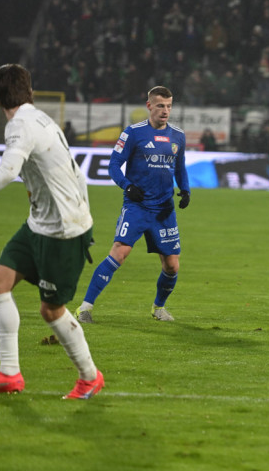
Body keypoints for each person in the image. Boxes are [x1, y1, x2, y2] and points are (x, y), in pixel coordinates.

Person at [0, 64, 103, 398]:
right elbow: (75, 172)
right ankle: (9, 373)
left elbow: (8, 169)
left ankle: (90, 377)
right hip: (40, 223)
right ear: (29, 91)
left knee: (51, 310)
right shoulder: (40, 118)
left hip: (61, 232)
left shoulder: (20, 127)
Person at [75, 86, 190, 323]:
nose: (165, 110)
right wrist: (127, 186)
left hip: (164, 211)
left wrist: (185, 189)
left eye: (169, 106)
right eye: (160, 105)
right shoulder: (133, 133)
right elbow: (114, 165)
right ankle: (85, 307)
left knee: (172, 266)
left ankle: (158, 308)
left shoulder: (178, 135)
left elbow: (180, 168)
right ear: (149, 106)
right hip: (137, 207)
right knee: (119, 252)